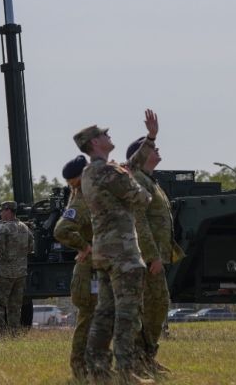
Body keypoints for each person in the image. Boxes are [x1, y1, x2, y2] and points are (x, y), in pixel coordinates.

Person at [75, 124, 154, 385]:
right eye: (104, 134)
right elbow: (142, 197)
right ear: (94, 143)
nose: (109, 136)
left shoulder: (90, 172)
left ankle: (97, 369)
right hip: (124, 255)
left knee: (105, 313)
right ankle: (125, 371)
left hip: (104, 254)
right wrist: (142, 192)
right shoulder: (108, 171)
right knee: (127, 315)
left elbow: (129, 168)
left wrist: (151, 138)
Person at [125, 109, 180, 374]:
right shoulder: (137, 180)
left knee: (157, 305)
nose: (158, 152)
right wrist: (151, 255)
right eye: (153, 148)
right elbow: (140, 221)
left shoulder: (150, 182)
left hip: (157, 256)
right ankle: (139, 359)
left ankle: (147, 356)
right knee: (150, 306)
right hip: (147, 257)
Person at [54, 155, 95, 380]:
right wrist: (84, 246)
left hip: (95, 269)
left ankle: (93, 368)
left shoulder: (89, 197)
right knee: (88, 319)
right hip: (89, 272)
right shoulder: (82, 200)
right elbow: (61, 231)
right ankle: (79, 369)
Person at [0, 201, 34, 332]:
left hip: (5, 273)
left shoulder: (5, 229)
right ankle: (14, 333)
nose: (0, 213)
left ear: (8, 211)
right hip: (21, 274)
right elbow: (31, 247)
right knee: (14, 305)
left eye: (2, 210)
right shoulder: (25, 228)